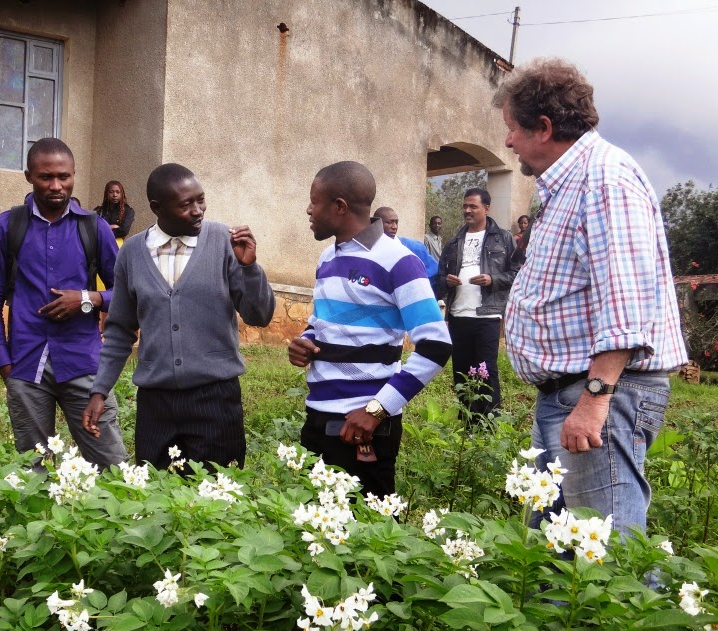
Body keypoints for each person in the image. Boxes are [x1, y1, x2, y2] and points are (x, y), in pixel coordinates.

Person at [493, 58, 687, 534]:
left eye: (512, 128)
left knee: (606, 549)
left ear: (544, 127)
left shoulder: (604, 181)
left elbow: (625, 303)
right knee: (556, 548)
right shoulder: (568, 184)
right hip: (570, 394)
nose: (508, 141)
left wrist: (595, 399)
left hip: (600, 394)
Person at [82, 163, 275, 470]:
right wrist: (99, 390)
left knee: (216, 490)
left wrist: (250, 268)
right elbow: (119, 331)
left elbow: (260, 315)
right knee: (157, 490)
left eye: (201, 200)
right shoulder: (132, 253)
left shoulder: (224, 242)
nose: (198, 210)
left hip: (215, 399)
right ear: (157, 208)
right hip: (156, 404)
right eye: (186, 205)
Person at [290, 162, 450, 498]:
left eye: (314, 202)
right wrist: (306, 341)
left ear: (339, 206)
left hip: (363, 428)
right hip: (317, 416)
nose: (308, 209)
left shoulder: (399, 261)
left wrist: (377, 410)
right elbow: (321, 322)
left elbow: (436, 345)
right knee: (312, 521)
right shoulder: (327, 258)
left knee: (368, 526)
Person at [0, 138, 127, 469]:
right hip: (26, 364)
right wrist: (5, 365)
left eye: (64, 176)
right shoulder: (6, 227)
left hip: (84, 363)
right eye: (46, 177)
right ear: (29, 176)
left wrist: (88, 299)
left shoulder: (94, 228)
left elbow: (126, 294)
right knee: (33, 470)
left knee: (111, 466)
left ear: (74, 174)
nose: (56, 185)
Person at [435, 188, 521, 423]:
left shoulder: (503, 239)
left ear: (486, 208)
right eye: (465, 206)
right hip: (458, 314)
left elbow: (519, 272)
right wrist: (447, 282)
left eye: (473, 206)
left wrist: (493, 279)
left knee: (486, 370)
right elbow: (438, 279)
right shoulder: (454, 242)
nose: (467, 210)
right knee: (461, 371)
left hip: (487, 315)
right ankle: (467, 423)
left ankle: (489, 423)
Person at [374, 206, 439, 289]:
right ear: (376, 223)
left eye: (396, 222)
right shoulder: (367, 249)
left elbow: (434, 269)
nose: (394, 227)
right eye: (389, 222)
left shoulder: (414, 247)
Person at [94, 181, 136, 246]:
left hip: (116, 246)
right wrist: (110, 227)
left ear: (122, 194)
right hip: (99, 245)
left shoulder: (128, 211)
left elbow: (124, 231)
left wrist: (102, 229)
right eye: (111, 192)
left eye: (118, 192)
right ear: (106, 193)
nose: (115, 195)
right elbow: (92, 227)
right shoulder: (99, 210)